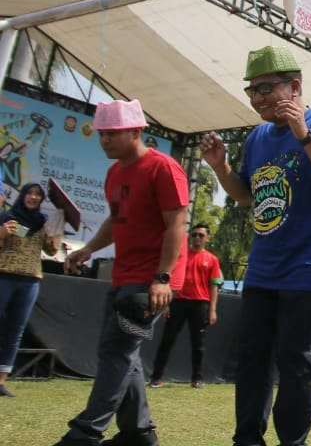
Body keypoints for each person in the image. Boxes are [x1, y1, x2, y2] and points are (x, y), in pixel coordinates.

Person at [202, 45, 311, 446]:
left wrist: (305, 135)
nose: (258, 99)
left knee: (298, 363)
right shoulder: (258, 138)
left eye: (266, 89)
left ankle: (293, 442)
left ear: (295, 86)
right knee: (252, 362)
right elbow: (246, 196)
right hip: (265, 269)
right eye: (252, 92)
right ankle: (247, 439)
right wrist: (220, 167)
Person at [53, 100, 188, 446]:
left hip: (151, 279)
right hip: (124, 275)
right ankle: (139, 434)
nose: (105, 141)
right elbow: (116, 220)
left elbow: (177, 224)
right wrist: (88, 249)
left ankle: (85, 434)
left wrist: (163, 278)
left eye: (112, 134)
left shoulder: (163, 168)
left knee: (116, 351)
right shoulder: (115, 174)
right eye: (102, 134)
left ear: (137, 131)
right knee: (121, 354)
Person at [0, 182, 62, 396]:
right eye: (29, 193)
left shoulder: (42, 222)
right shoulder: (8, 217)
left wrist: (55, 232)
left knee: (15, 330)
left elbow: (52, 251)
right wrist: (2, 232)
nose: (33, 197)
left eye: (38, 195)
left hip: (31, 281)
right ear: (23, 195)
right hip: (4, 276)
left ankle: (1, 381)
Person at [149, 222, 223, 389]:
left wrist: (212, 310)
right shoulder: (180, 256)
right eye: (194, 234)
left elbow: (214, 285)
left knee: (199, 344)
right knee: (167, 341)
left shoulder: (212, 260)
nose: (197, 238)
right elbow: (169, 279)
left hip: (200, 304)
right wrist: (167, 304)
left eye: (201, 235)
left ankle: (197, 379)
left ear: (208, 238)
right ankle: (156, 378)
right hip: (177, 302)